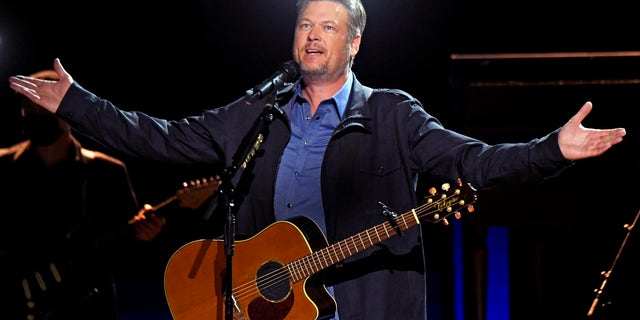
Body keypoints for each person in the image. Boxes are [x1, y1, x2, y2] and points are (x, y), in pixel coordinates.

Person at [7, 0, 626, 319]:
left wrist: (552, 151)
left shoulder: (393, 115)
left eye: (328, 26)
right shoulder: (258, 110)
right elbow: (164, 139)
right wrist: (80, 105)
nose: (312, 34)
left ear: (354, 42)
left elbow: (476, 163)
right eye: (305, 22)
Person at [1, 70, 167, 320]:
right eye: (29, 107)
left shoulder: (107, 172)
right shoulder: (4, 167)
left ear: (63, 110)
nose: (35, 114)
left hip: (86, 308)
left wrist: (145, 236)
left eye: (41, 107)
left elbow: (128, 255)